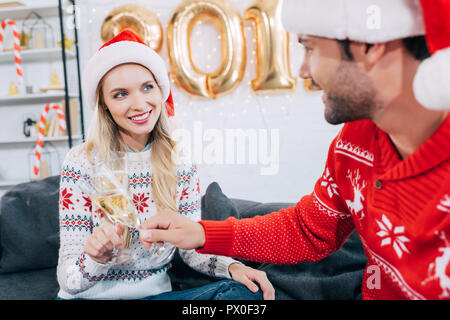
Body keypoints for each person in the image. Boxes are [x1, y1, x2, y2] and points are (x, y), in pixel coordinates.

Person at [139, 0, 450, 300]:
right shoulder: (355, 141)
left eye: (310, 48)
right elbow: (308, 230)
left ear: (369, 44)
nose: (303, 70)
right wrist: (204, 233)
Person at [56, 30, 274, 300]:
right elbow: (68, 280)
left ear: (160, 90)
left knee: (242, 295)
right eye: (121, 94)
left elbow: (190, 248)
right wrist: (94, 258)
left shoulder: (179, 160)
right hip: (87, 298)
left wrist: (232, 267)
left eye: (147, 87)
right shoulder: (81, 162)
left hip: (156, 296)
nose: (139, 104)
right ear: (104, 105)